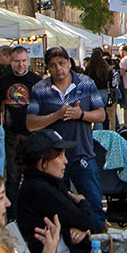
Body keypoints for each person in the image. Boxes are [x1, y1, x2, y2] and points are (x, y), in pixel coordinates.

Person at [25, 47, 107, 230]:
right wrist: (56, 115)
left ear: (69, 63)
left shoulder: (86, 83)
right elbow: (30, 123)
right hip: (52, 159)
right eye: (53, 65)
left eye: (62, 63)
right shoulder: (40, 89)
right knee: (56, 206)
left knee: (93, 202)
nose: (58, 69)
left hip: (82, 153)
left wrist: (81, 114)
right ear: (48, 68)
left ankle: (98, 244)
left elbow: (101, 115)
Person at [13, 131, 95, 253]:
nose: (65, 161)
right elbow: (86, 219)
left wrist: (84, 230)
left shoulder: (49, 184)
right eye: (60, 156)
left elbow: (88, 224)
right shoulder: (39, 188)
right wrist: (83, 202)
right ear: (43, 161)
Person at [0, 46, 36, 196]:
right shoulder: (3, 81)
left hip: (32, 133)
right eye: (17, 61)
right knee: (13, 176)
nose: (20, 64)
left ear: (28, 61)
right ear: (11, 62)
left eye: (23, 61)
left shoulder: (37, 81)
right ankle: (12, 214)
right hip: (11, 134)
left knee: (32, 175)